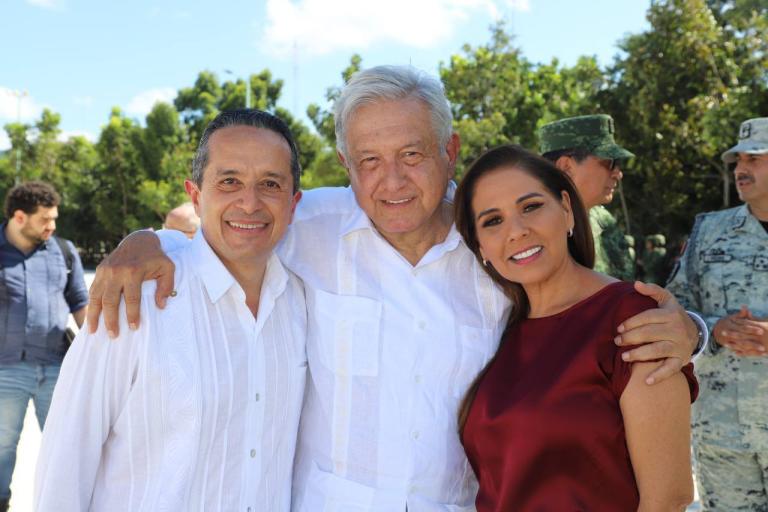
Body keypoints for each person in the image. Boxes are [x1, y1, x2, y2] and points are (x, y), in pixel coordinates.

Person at [87, 66, 703, 510]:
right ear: (346, 165)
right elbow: (219, 227)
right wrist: (144, 240)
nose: (393, 181)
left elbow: (580, 314)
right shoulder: (311, 225)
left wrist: (691, 332)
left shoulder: (494, 240)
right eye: (369, 161)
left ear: (450, 150)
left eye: (412, 153)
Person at [34, 110, 307, 511]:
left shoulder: (302, 303)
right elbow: (65, 465)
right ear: (197, 196)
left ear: (294, 202)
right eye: (229, 181)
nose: (249, 202)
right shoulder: (132, 299)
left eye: (270, 184)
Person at [455, 144, 697, 510]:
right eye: (493, 221)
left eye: (531, 206)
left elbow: (668, 497)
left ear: (567, 211)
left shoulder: (632, 318)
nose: (516, 231)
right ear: (481, 248)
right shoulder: (496, 330)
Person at [666, 116, 768, 510]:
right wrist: (714, 330)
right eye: (738, 160)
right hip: (724, 434)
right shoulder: (709, 232)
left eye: (755, 158)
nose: (742, 169)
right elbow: (672, 308)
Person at [0, 181, 89, 512]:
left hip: (56, 367)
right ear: (20, 217)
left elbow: (80, 301)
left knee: (65, 446)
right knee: (2, 447)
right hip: (5, 369)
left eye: (55, 218)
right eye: (45, 219)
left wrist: (102, 350)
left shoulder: (63, 251)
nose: (52, 226)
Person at [540, 114, 636, 280]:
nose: (618, 174)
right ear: (566, 167)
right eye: (609, 162)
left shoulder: (603, 220)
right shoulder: (535, 229)